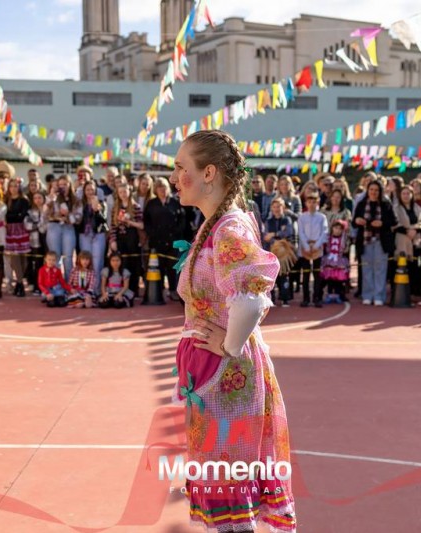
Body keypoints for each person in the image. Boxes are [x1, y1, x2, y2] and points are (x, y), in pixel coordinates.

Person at [168, 130, 296, 532]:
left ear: (208, 173)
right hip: (215, 375)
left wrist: (228, 346)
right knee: (226, 489)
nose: (174, 177)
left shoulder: (227, 229)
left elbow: (252, 299)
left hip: (226, 376)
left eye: (180, 168)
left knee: (229, 491)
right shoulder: (217, 225)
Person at [353, 179, 397, 306]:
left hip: (381, 241)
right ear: (367, 190)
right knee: (367, 268)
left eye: (376, 190)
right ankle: (367, 295)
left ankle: (379, 296)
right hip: (365, 240)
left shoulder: (386, 205)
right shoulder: (361, 204)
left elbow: (393, 221)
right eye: (371, 190)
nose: (373, 192)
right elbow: (354, 222)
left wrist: (382, 223)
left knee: (380, 269)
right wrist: (357, 221)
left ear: (380, 191)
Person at [143, 177, 185, 301]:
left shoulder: (175, 202)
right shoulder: (151, 203)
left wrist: (177, 232)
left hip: (173, 241)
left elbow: (182, 219)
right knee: (159, 266)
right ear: (156, 189)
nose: (163, 190)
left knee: (172, 267)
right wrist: (152, 233)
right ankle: (159, 290)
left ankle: (172, 290)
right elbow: (146, 221)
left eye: (165, 187)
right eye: (160, 187)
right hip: (156, 241)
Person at [297, 192, 328, 308]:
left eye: (314, 202)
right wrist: (306, 245)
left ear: (317, 203)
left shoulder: (322, 217)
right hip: (305, 248)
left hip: (317, 248)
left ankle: (317, 298)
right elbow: (300, 232)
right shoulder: (302, 217)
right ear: (306, 203)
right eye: (309, 202)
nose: (311, 204)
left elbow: (324, 232)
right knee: (305, 275)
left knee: (317, 274)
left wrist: (316, 245)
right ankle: (306, 298)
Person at [77, 180, 108, 293]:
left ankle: (97, 289)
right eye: (87, 190)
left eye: (92, 190)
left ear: (96, 191)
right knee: (85, 261)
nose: (90, 192)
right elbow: (77, 220)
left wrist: (97, 210)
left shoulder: (102, 203)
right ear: (84, 191)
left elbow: (103, 220)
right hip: (84, 235)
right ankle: (84, 287)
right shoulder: (80, 203)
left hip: (98, 234)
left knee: (97, 262)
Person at [4, 178, 31, 297]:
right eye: (11, 186)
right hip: (9, 231)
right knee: (14, 258)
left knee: (23, 259)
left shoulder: (24, 200)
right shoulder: (6, 200)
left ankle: (19, 283)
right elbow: (6, 215)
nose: (13, 188)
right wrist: (14, 216)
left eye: (16, 186)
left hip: (21, 229)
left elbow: (22, 215)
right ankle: (20, 284)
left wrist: (12, 216)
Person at [24, 191, 48, 296]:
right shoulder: (30, 212)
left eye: (40, 197)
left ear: (44, 199)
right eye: (35, 198)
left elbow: (48, 225)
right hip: (35, 240)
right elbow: (27, 225)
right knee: (37, 263)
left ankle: (48, 285)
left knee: (48, 263)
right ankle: (37, 286)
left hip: (47, 239)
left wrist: (36, 225)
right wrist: (39, 224)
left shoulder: (48, 210)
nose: (37, 200)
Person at [320, 220, 350, 303]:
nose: (337, 230)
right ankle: (328, 294)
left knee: (339, 279)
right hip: (328, 260)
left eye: (340, 229)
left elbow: (346, 249)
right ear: (332, 228)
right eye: (336, 228)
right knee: (329, 278)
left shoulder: (344, 239)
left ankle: (340, 295)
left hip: (339, 260)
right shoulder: (328, 238)